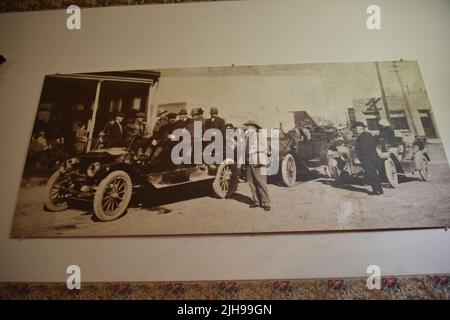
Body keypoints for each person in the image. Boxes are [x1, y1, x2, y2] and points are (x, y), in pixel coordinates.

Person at [244, 120, 271, 211]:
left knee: (261, 182)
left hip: (259, 162)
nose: (247, 128)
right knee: (251, 183)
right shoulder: (247, 138)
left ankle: (266, 203)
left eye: (249, 127)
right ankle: (256, 201)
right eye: (247, 127)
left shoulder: (260, 136)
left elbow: (266, 147)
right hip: (249, 162)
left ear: (254, 128)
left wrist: (254, 150)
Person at [353, 121, 383, 195]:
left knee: (372, 174)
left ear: (361, 128)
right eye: (355, 128)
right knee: (373, 174)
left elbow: (364, 147)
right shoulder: (367, 135)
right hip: (370, 157)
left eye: (357, 128)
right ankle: (379, 190)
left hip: (367, 158)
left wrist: (361, 154)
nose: (355, 130)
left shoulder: (364, 136)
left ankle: (376, 191)